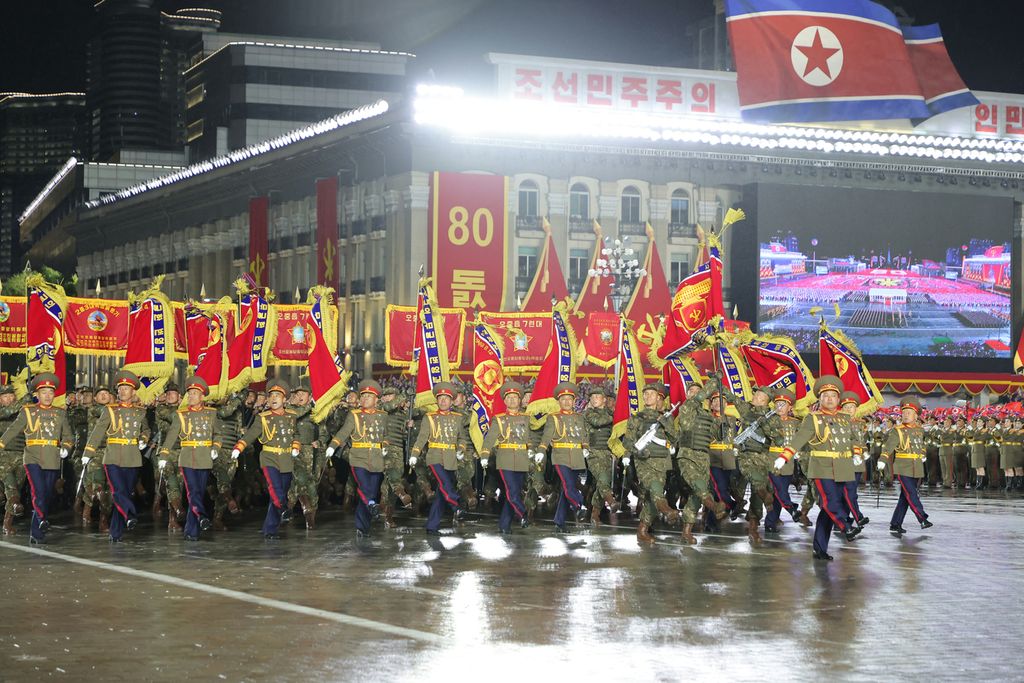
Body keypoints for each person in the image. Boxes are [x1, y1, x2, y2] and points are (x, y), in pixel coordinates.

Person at [774, 375, 861, 561]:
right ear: (819, 399)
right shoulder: (812, 419)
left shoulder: (845, 418)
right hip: (822, 468)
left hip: (844, 468)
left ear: (838, 399)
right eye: (825, 395)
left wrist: (857, 453)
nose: (829, 399)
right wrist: (785, 456)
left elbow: (853, 439)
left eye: (833, 395)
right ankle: (846, 526)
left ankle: (820, 548)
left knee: (827, 511)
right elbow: (799, 439)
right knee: (829, 502)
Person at [0, 373, 72, 544]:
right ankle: (41, 521)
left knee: (46, 495)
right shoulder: (28, 411)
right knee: (38, 491)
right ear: (37, 395)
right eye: (43, 392)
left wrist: (66, 448)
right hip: (32, 457)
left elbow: (69, 436)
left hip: (52, 458)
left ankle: (36, 530)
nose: (47, 396)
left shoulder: (60, 413)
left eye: (50, 392)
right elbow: (13, 429)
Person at [83, 370, 151, 542]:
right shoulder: (110, 410)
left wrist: (143, 439)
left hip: (132, 457)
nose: (122, 391)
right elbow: (98, 431)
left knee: (125, 493)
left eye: (126, 388)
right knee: (118, 491)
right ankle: (130, 515)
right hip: (112, 456)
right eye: (120, 388)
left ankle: (115, 532)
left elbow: (146, 429)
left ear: (133, 391)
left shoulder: (140, 411)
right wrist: (88, 452)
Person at [232, 380, 300, 540]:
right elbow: (251, 434)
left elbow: (295, 433)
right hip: (269, 458)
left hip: (286, 459)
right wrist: (239, 447)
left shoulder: (292, 416)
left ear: (284, 399)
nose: (274, 398)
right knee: (276, 489)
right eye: (271, 395)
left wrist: (296, 445)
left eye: (278, 395)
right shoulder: (263, 418)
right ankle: (284, 510)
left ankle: (270, 529)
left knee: (279, 493)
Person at [160, 376, 217, 541]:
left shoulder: (211, 414)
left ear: (202, 396)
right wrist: (164, 454)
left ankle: (191, 531)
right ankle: (202, 516)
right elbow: (172, 435)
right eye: (189, 393)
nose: (191, 396)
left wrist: (216, 447)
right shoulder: (181, 414)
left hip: (205, 457)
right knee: (192, 491)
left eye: (194, 393)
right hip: (187, 457)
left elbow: (218, 434)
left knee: (198, 492)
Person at [623, 382, 678, 544]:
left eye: (651, 394)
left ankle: (642, 529)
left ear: (658, 397)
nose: (648, 397)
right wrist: (637, 452)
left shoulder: (666, 417)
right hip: (644, 461)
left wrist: (665, 422)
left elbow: (674, 438)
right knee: (655, 489)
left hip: (661, 460)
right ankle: (668, 511)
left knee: (652, 498)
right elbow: (627, 441)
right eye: (645, 394)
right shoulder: (636, 418)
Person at [409, 382, 466, 536]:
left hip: (451, 459)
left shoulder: (458, 418)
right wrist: (414, 454)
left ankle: (432, 526)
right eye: (440, 398)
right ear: (437, 400)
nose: (443, 401)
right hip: (434, 457)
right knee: (445, 483)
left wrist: (461, 449)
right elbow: (422, 438)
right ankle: (456, 506)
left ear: (452, 401)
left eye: (446, 398)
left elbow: (462, 439)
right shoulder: (430, 417)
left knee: (441, 494)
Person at [673, 379, 726, 543]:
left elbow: (718, 435)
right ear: (688, 394)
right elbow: (698, 398)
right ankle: (714, 506)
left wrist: (721, 418)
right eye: (692, 391)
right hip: (687, 455)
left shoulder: (707, 415)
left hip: (703, 458)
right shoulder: (686, 407)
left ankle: (686, 531)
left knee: (697, 496)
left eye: (698, 391)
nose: (695, 394)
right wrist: (715, 382)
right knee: (700, 486)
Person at [479, 381, 531, 534]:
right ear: (505, 401)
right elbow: (489, 439)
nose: (512, 400)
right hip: (505, 459)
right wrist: (484, 454)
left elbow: (532, 437)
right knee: (511, 491)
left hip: (522, 459)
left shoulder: (527, 418)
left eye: (515, 397)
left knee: (513, 493)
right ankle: (523, 513)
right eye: (509, 398)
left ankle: (504, 525)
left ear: (520, 399)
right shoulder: (499, 419)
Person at [538, 382, 590, 532]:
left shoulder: (579, 417)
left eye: (569, 399)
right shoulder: (553, 418)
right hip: (560, 456)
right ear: (559, 401)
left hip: (577, 457)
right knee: (568, 486)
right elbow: (547, 435)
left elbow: (584, 435)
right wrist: (542, 450)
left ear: (574, 401)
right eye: (563, 399)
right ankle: (579, 504)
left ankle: (559, 521)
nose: (567, 402)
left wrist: (585, 448)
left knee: (567, 489)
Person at [878, 397, 933, 536]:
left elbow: (922, 445)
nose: (906, 414)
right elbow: (889, 446)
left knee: (905, 497)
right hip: (903, 467)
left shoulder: (919, 430)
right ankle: (922, 518)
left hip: (917, 467)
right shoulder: (897, 430)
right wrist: (882, 459)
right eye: (904, 412)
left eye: (909, 412)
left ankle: (895, 523)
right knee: (911, 494)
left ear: (916, 415)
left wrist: (923, 453)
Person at [763, 388, 802, 533]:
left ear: (789, 407)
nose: (779, 407)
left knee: (779, 493)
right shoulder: (767, 421)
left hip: (788, 463)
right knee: (778, 489)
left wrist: (799, 453)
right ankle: (791, 508)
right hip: (772, 460)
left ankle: (771, 522)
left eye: (783, 404)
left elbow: (801, 439)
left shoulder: (795, 423)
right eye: (777, 404)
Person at [581, 385, 617, 526]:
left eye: (597, 397)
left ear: (604, 399)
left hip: (608, 453)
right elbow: (598, 422)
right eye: (592, 397)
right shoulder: (589, 413)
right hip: (593, 452)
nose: (594, 399)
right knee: (602, 479)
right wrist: (614, 415)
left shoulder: (610, 413)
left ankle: (595, 514)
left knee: (602, 484)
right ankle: (611, 501)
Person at [288, 382, 320, 529]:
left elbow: (324, 430)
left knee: (309, 484)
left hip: (310, 452)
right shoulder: (289, 409)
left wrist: (320, 441)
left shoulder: (316, 412)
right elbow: (295, 416)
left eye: (303, 394)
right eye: (297, 394)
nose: (299, 396)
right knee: (299, 480)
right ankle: (304, 513)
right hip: (293, 450)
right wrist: (310, 406)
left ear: (310, 396)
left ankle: (311, 515)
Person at [839, 391, 869, 530]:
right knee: (849, 491)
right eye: (846, 407)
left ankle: (843, 520)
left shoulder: (860, 423)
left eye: (851, 407)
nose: (849, 409)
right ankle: (858, 516)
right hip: (845, 460)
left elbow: (861, 441)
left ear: (856, 409)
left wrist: (865, 452)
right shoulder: (838, 422)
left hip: (858, 461)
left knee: (850, 491)